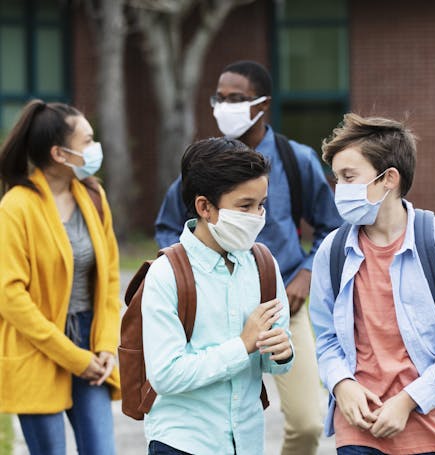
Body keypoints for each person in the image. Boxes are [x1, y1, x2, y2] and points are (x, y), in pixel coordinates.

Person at [154, 60, 339, 454]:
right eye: (219, 99)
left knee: (308, 422)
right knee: (218, 402)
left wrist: (304, 278)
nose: (224, 107)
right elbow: (168, 228)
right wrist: (195, 273)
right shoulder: (204, 166)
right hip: (209, 303)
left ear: (263, 104)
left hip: (282, 301)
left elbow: (331, 226)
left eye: (236, 99)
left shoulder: (296, 159)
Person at [309, 113, 435, 455]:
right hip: (357, 424)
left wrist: (409, 401)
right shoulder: (332, 250)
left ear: (389, 179)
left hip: (429, 420)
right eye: (336, 178)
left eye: (349, 177)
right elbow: (325, 336)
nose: (339, 189)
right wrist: (341, 385)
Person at [141, 138, 293, 454]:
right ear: (204, 207)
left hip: (247, 441)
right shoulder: (166, 273)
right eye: (244, 206)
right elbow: (165, 375)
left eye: (261, 204)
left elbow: (274, 365)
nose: (257, 215)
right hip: (183, 443)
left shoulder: (264, 265)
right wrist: (242, 345)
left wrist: (282, 352)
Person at [0, 99, 121, 455]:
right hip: (37, 346)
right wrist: (73, 356)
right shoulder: (15, 207)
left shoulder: (94, 195)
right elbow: (10, 297)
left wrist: (104, 345)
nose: (95, 148)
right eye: (87, 141)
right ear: (59, 153)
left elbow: (110, 276)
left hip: (90, 342)